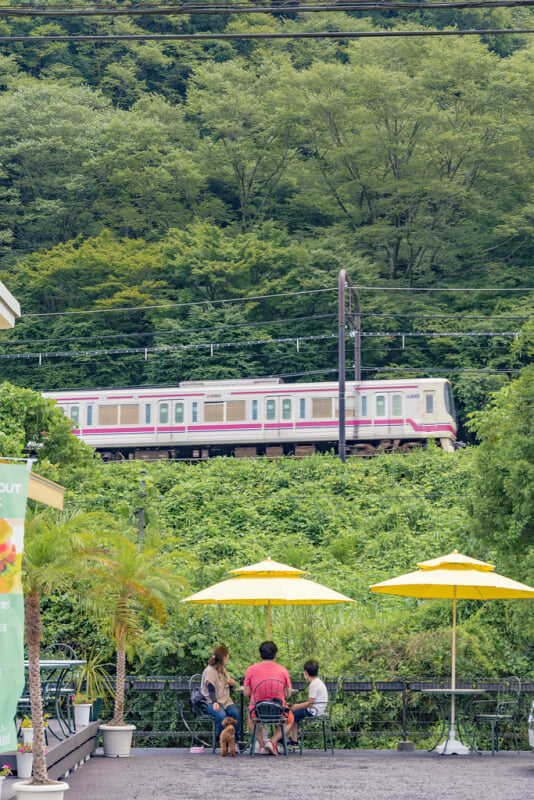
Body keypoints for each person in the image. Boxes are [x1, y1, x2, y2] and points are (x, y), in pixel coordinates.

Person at [243, 640, 292, 756]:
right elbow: (288, 694)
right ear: (275, 655)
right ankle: (272, 742)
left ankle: (261, 745)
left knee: (250, 717)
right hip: (278, 711)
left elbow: (246, 692)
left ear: (260, 655)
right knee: (290, 719)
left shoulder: (251, 669)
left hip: (257, 710)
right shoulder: (283, 670)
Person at [200, 645, 242, 750]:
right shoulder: (210, 671)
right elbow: (211, 689)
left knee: (235, 714)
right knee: (222, 716)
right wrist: (215, 702)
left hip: (226, 700)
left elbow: (225, 686)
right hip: (211, 701)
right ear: (223, 658)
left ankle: (233, 741)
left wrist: (231, 684)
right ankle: (223, 742)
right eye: (226, 657)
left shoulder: (222, 669)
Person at [285, 659, 328, 747]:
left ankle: (285, 738)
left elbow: (311, 703)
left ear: (305, 673)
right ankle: (294, 740)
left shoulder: (313, 685)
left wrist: (296, 706)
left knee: (291, 714)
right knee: (295, 714)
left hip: (314, 710)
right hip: (319, 709)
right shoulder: (319, 682)